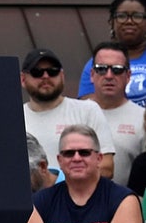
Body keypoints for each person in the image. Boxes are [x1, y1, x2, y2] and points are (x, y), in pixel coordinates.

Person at [12, 125, 142, 223]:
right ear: (59, 160)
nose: (76, 158)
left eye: (84, 152)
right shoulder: (41, 201)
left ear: (99, 158)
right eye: (68, 153)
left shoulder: (123, 199)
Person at [22, 48, 116, 179]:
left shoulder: (88, 110)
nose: (45, 76)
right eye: (37, 72)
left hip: (80, 197)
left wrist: (60, 186)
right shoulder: (13, 117)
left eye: (52, 71)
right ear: (22, 79)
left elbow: (106, 167)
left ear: (62, 76)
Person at [88, 41, 145, 187]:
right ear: (92, 74)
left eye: (117, 69)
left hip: (126, 205)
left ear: (128, 76)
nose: (109, 75)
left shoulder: (142, 119)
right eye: (101, 69)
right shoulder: (74, 113)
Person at [78, 0, 146, 106]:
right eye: (122, 16)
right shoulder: (97, 63)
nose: (129, 21)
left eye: (137, 16)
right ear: (111, 23)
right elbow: (87, 107)